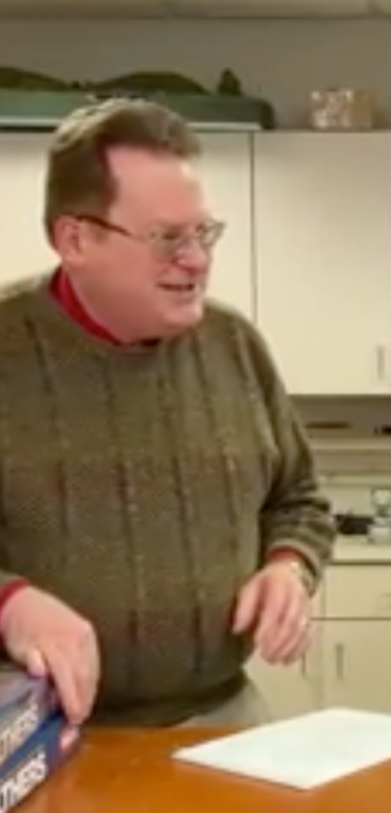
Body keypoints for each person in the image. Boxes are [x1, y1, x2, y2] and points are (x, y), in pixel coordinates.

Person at [0, 98, 336, 727]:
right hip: (42, 725)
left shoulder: (233, 344)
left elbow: (299, 498)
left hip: (222, 710)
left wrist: (288, 565)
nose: (197, 260)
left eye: (202, 233)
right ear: (75, 238)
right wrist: (10, 603)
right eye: (167, 238)